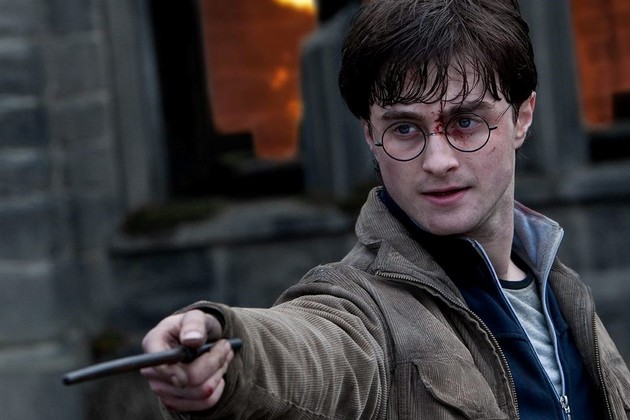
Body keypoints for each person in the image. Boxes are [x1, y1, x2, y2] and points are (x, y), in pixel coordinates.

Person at [141, 0, 630, 418]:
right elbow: (316, 348)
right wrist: (226, 351)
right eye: (405, 129)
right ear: (370, 136)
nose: (437, 161)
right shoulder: (363, 304)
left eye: (465, 122)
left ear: (522, 117)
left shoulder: (561, 288)